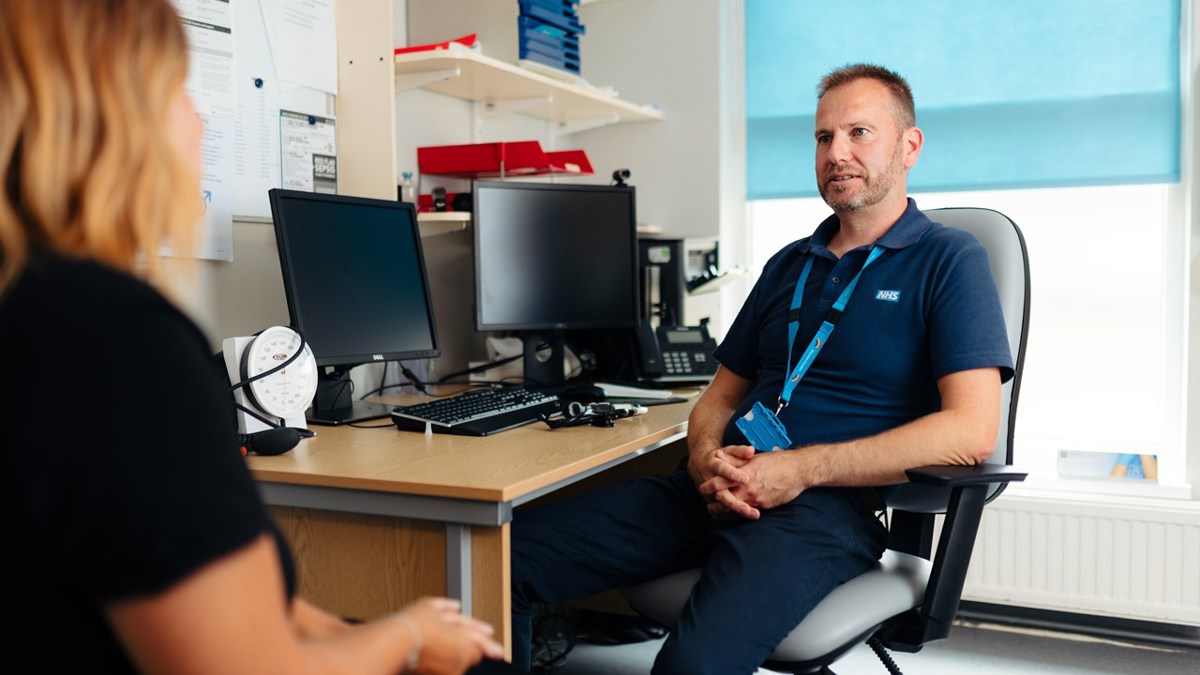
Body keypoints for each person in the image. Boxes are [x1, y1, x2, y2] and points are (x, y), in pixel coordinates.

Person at [0, 1, 512, 673]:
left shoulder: (36, 311)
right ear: (121, 118)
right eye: (179, 93)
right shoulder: (120, 344)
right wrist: (407, 634)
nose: (200, 118)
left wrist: (353, 630)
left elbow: (213, 582)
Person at [509, 63, 1014, 674]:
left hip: (822, 510)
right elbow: (717, 402)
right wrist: (704, 462)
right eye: (824, 138)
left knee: (692, 665)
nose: (837, 153)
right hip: (714, 490)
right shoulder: (789, 265)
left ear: (910, 146)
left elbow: (970, 432)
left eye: (859, 133)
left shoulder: (949, 258)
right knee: (501, 561)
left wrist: (798, 470)